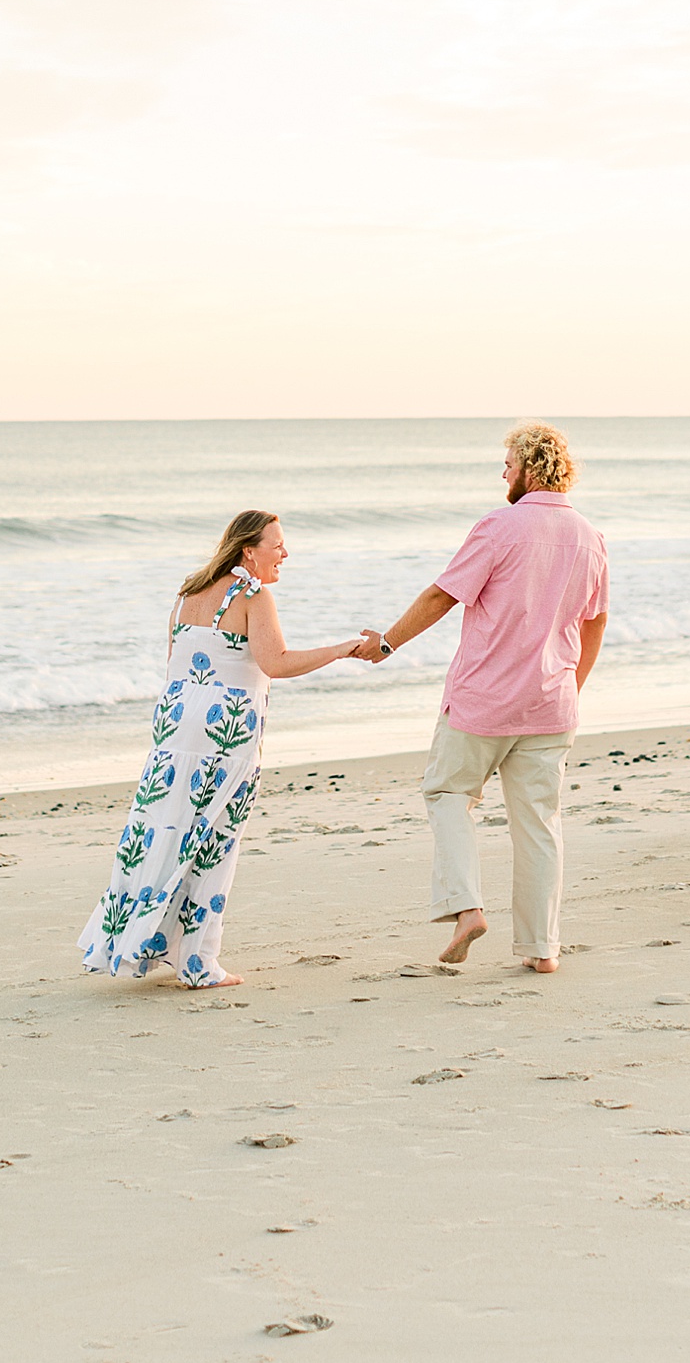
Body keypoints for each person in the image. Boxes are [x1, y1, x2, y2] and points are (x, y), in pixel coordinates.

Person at [77, 510, 377, 990]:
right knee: (214, 843)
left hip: (175, 725)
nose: (285, 553)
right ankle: (197, 964)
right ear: (247, 551)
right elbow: (275, 663)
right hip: (225, 733)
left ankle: (129, 941)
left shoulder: (186, 594)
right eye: (277, 545)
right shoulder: (253, 595)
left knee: (160, 833)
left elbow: (176, 663)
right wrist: (343, 649)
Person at [357, 421, 607, 974]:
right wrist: (571, 687)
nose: (503, 473)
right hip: (550, 705)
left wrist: (387, 643)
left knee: (447, 793)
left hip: (484, 701)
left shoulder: (500, 526)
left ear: (529, 468)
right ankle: (542, 950)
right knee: (539, 824)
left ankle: (467, 908)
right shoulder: (590, 536)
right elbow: (596, 622)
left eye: (509, 465)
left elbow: (442, 595)